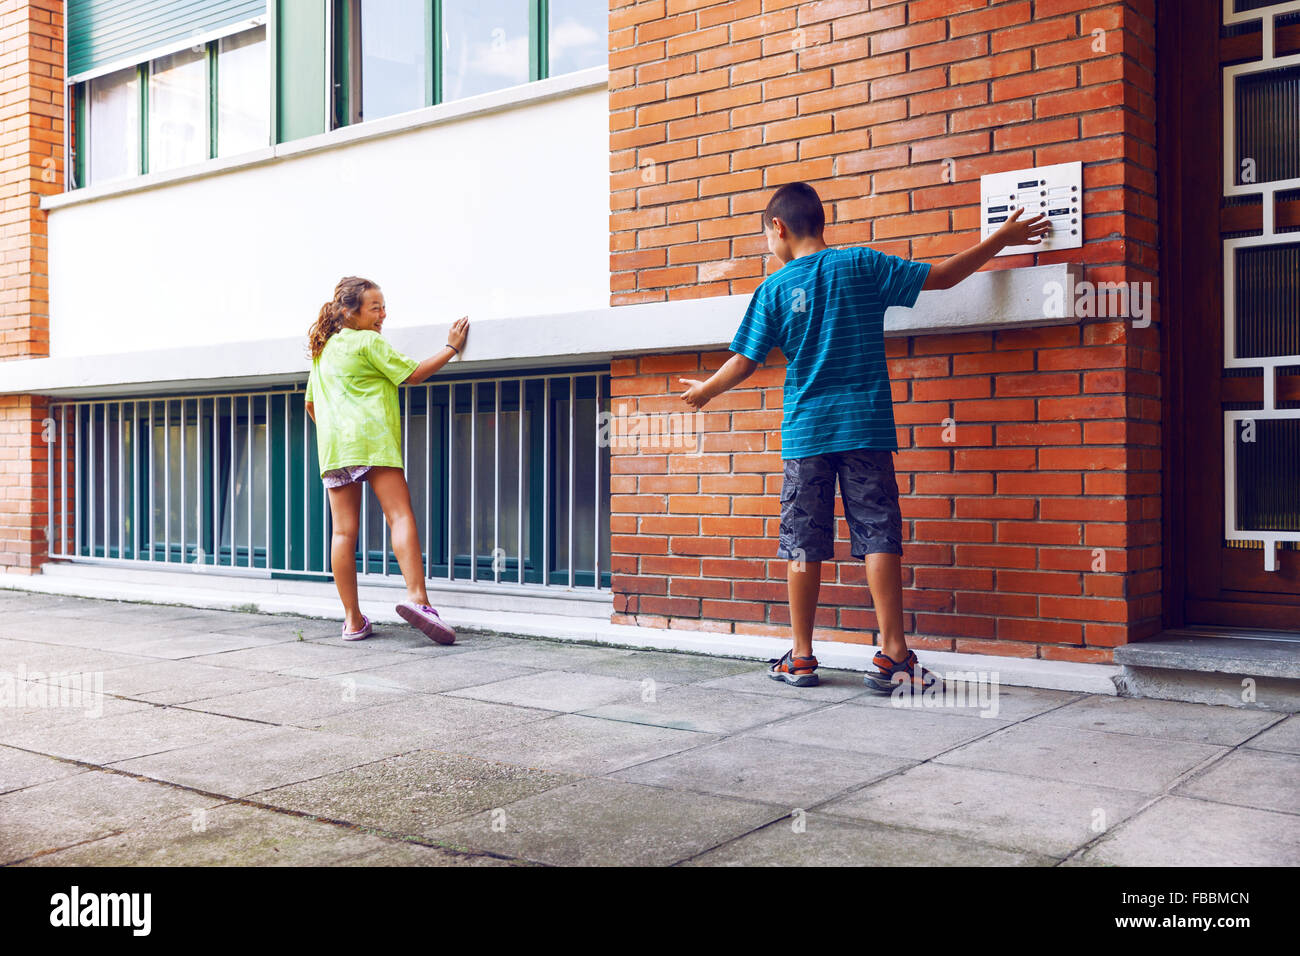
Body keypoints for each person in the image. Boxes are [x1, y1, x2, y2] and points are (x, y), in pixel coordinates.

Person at [678, 182, 1049, 690]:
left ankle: (803, 656)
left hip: (806, 431)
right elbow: (941, 278)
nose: (768, 246)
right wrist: (997, 240)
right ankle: (894, 654)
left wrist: (705, 392)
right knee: (877, 531)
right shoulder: (862, 264)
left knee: (802, 542)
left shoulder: (774, 289)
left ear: (778, 228)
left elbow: (744, 360)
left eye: (766, 236)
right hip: (866, 424)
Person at [305, 276, 469, 643]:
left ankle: (352, 620)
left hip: (334, 449)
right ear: (350, 312)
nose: (382, 314)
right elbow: (413, 374)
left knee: (343, 533)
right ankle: (418, 598)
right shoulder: (367, 342)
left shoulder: (323, 351)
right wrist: (451, 348)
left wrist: (340, 432)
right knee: (399, 514)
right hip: (372, 440)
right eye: (375, 307)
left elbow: (312, 405)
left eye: (383, 307)